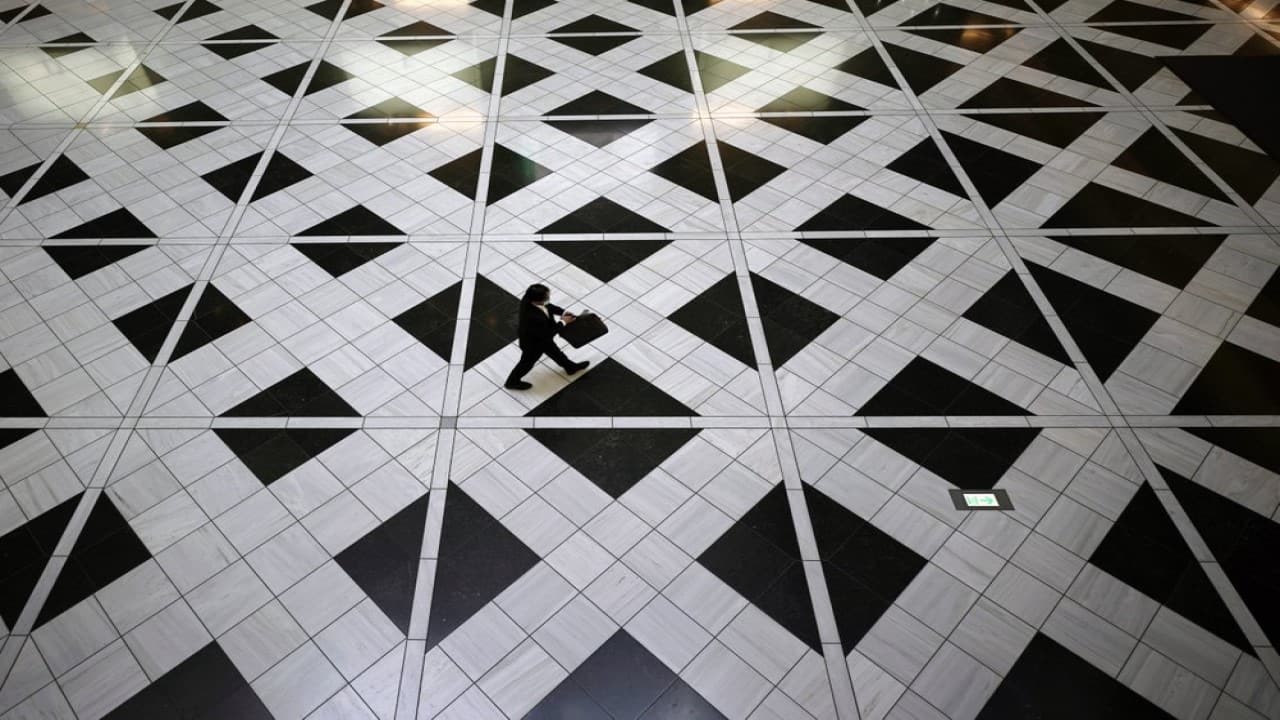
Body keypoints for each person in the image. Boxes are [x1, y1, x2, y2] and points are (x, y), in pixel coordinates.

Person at [504, 283, 589, 390]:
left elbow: (548, 306)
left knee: (556, 352)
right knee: (526, 363)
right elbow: (548, 333)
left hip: (541, 338)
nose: (548, 298)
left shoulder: (529, 298)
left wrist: (563, 312)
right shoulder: (532, 316)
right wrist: (563, 322)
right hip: (533, 343)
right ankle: (511, 382)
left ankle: (570, 367)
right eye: (546, 297)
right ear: (538, 300)